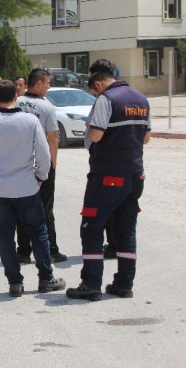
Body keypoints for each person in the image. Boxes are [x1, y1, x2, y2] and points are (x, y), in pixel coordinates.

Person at [0, 75, 66, 297]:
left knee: (5, 236)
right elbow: (43, 154)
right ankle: (45, 278)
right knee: (38, 233)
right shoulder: (29, 121)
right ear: (17, 95)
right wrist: (41, 176)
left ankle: (14, 282)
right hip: (26, 187)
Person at [66, 59, 151, 301]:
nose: (94, 94)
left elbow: (96, 134)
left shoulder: (107, 99)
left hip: (107, 176)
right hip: (135, 175)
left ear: (99, 83)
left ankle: (90, 284)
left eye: (93, 90)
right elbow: (146, 138)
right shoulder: (141, 99)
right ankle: (124, 284)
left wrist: (90, 127)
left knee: (91, 228)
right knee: (126, 230)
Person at [15, 69, 68, 264]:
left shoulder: (17, 102)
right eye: (47, 83)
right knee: (45, 209)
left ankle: (23, 251)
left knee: (22, 208)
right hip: (41, 163)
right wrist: (53, 163)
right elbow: (52, 138)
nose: (49, 86)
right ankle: (51, 250)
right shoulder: (46, 107)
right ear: (38, 84)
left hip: (20, 164)